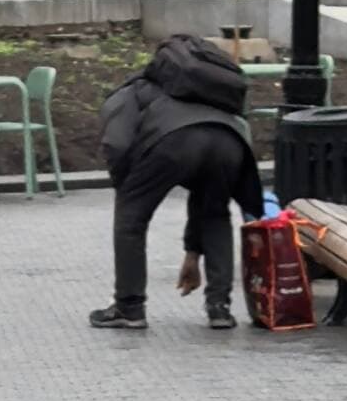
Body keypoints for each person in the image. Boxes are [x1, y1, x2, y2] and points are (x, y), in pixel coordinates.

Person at [92, 33, 264, 332]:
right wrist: (192, 254)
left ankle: (129, 307)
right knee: (215, 213)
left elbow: (117, 143)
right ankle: (219, 308)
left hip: (173, 143)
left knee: (130, 220)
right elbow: (202, 204)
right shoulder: (204, 93)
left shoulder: (132, 91)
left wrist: (126, 187)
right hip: (230, 143)